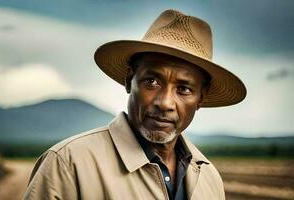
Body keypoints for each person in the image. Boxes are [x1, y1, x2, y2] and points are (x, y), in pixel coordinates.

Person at [23, 9, 246, 200]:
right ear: (129, 80)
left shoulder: (209, 179)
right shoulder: (68, 164)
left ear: (201, 98)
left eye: (183, 89)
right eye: (152, 81)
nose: (165, 103)